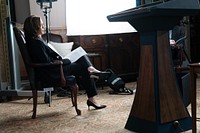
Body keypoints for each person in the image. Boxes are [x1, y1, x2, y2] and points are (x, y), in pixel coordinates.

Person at [23, 15, 109, 110]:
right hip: (53, 72)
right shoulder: (36, 43)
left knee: (80, 53)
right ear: (35, 28)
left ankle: (91, 71)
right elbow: (46, 62)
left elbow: (46, 59)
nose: (43, 28)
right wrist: (63, 61)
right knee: (83, 67)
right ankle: (92, 77)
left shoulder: (35, 41)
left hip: (54, 69)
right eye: (41, 25)